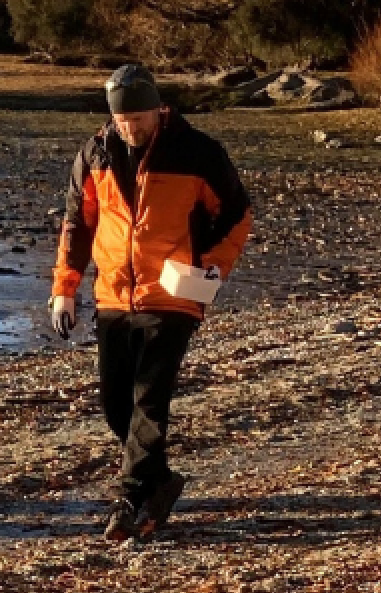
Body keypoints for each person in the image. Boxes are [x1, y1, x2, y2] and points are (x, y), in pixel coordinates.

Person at [48, 64, 252, 542]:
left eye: (137, 119)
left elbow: (237, 217)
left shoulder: (198, 153)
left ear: (159, 110)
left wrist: (210, 271)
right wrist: (65, 289)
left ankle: (128, 495)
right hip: (114, 295)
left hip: (176, 295)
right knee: (115, 404)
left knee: (149, 397)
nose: (130, 129)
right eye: (122, 121)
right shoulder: (94, 153)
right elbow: (77, 226)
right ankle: (160, 480)